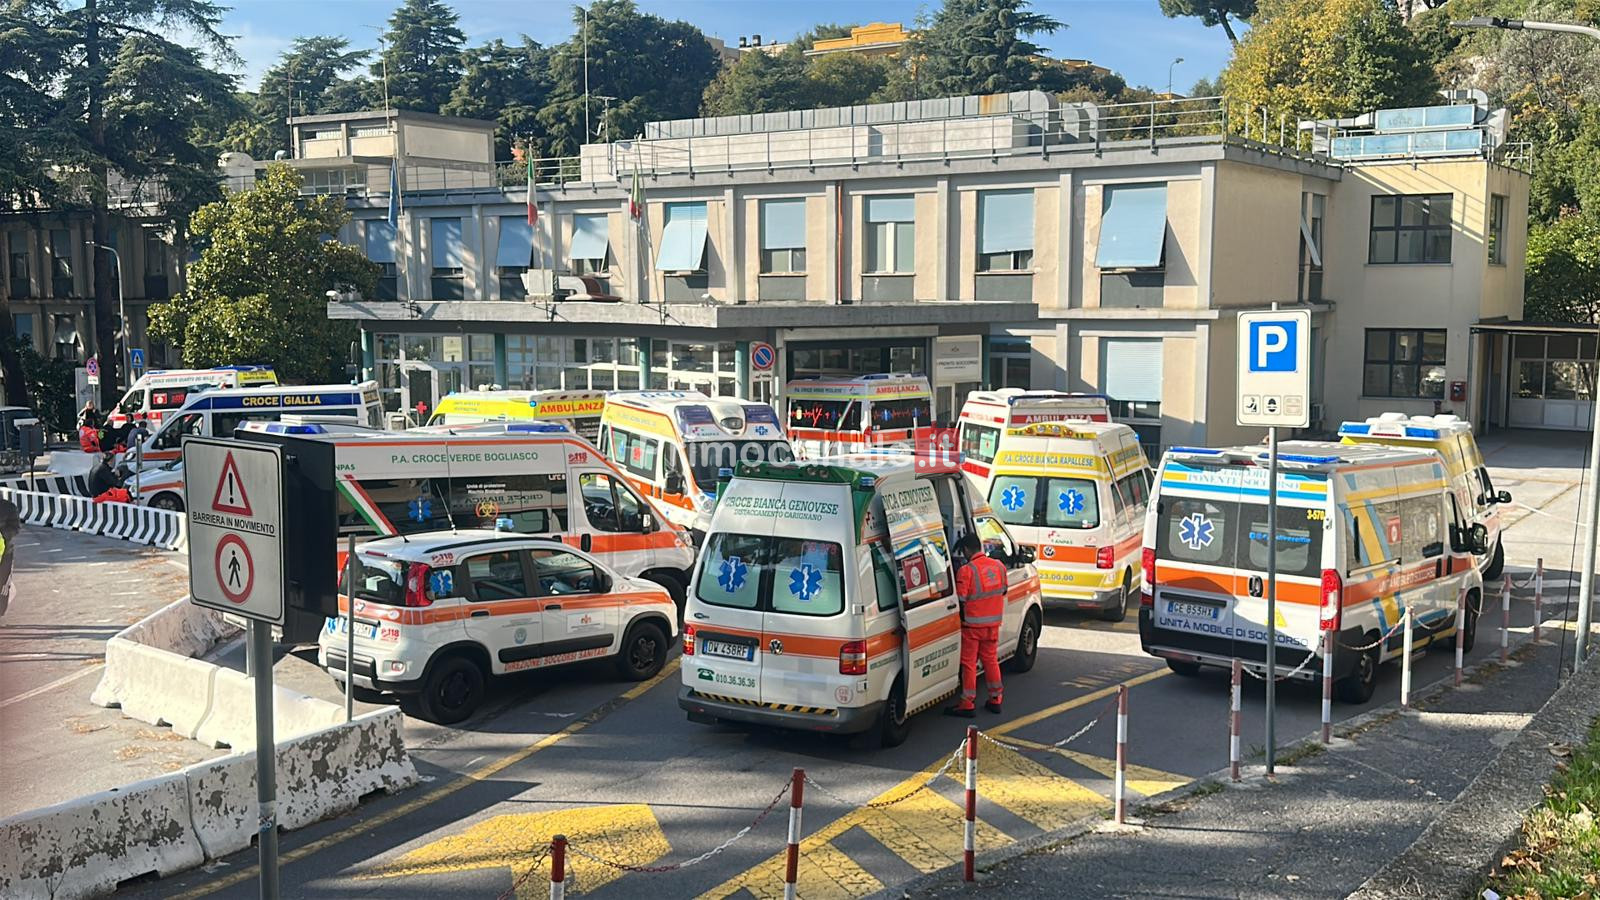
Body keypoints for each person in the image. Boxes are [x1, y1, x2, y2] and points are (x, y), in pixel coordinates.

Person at [945, 532, 1007, 718]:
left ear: (965, 550)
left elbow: (960, 599)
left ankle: (967, 702)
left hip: (972, 627)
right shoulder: (999, 566)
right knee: (990, 660)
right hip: (993, 624)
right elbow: (1002, 591)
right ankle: (996, 699)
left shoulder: (967, 570)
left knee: (969, 663)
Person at [0, 495, 18, 620]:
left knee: (3, 584)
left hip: (5, 552)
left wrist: (2, 536)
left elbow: (15, 528)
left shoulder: (8, 507)